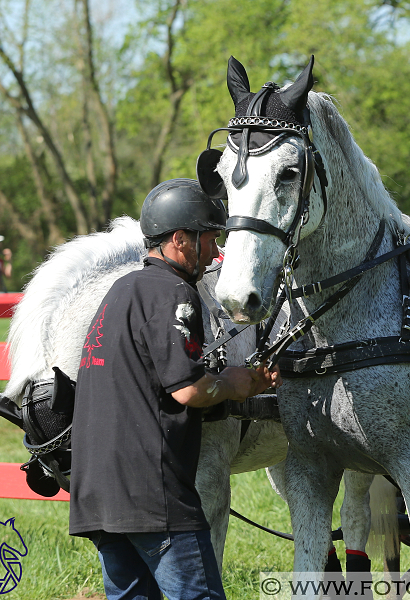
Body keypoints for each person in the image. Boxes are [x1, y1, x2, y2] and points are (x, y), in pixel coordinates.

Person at [69, 178, 281, 600]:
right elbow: (189, 391)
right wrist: (235, 384)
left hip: (96, 495)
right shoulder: (174, 292)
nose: (216, 252)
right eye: (210, 239)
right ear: (181, 240)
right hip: (152, 494)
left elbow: (150, 390)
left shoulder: (120, 291)